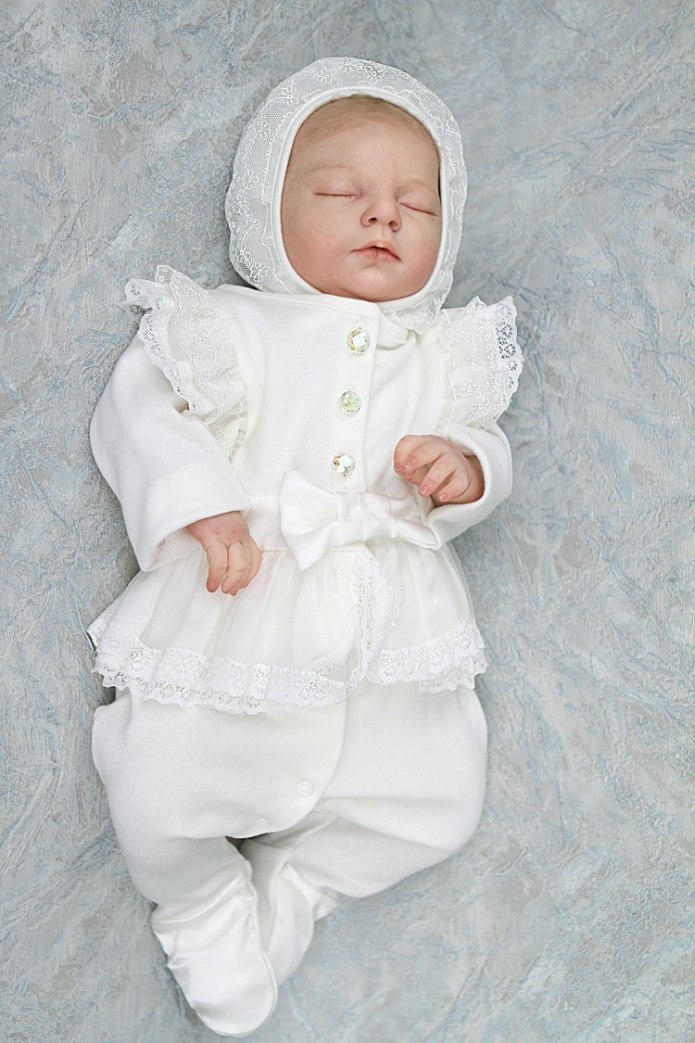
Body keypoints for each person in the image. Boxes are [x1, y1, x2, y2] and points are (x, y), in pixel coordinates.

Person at [88, 57, 522, 1037]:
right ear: (266, 212)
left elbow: (485, 445)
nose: (382, 215)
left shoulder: (438, 353)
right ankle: (200, 899)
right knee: (160, 783)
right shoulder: (233, 326)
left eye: (415, 204)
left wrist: (465, 467)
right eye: (339, 193)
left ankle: (297, 884)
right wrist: (200, 506)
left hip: (388, 626)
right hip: (245, 596)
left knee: (437, 803)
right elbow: (142, 411)